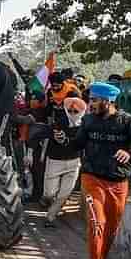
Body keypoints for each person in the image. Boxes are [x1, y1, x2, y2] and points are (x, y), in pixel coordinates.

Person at [58, 82, 131, 259]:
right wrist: (63, 139)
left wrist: (129, 152)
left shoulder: (129, 122)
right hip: (92, 178)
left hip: (119, 183)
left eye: (94, 100)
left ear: (108, 101)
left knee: (111, 229)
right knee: (97, 222)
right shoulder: (88, 121)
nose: (90, 104)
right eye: (91, 100)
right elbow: (77, 144)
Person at [44, 97, 86, 227]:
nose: (72, 113)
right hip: (55, 161)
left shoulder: (85, 125)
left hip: (74, 162)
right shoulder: (59, 122)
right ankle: (49, 204)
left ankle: (50, 217)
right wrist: (57, 137)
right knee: (49, 193)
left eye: (75, 111)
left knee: (65, 193)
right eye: (70, 110)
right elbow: (52, 134)